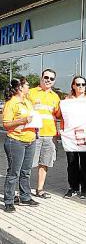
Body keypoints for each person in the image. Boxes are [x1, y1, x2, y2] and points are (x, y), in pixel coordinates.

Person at [3, 78, 39, 212]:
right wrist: (22, 120)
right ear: (19, 88)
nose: (29, 87)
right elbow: (6, 124)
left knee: (26, 171)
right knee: (14, 172)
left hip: (30, 141)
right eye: (27, 85)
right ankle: (9, 201)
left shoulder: (27, 102)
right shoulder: (11, 103)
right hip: (16, 141)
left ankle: (25, 196)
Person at [29, 69, 61, 199]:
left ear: (54, 81)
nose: (48, 80)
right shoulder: (30, 93)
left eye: (51, 78)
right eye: (46, 77)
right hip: (33, 134)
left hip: (50, 135)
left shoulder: (55, 96)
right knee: (28, 163)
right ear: (41, 78)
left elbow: (58, 114)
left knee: (44, 163)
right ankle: (23, 190)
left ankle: (40, 189)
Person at [63, 76, 86, 199]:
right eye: (78, 84)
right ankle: (73, 187)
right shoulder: (67, 101)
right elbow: (62, 116)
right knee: (72, 163)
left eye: (83, 84)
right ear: (73, 86)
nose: (81, 87)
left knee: (85, 162)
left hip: (85, 135)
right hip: (71, 136)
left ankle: (85, 189)